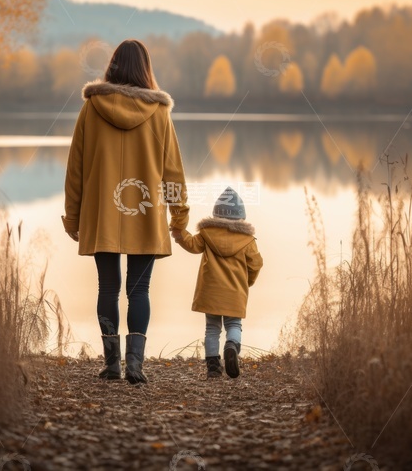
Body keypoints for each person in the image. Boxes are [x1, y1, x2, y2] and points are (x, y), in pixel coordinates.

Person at [62, 39, 189, 384]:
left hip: (102, 213)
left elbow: (75, 168)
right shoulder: (160, 114)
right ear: (146, 69)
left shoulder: (92, 108)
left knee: (107, 288)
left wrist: (72, 216)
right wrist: (179, 217)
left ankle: (112, 365)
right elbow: (173, 172)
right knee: (139, 291)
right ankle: (135, 366)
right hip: (145, 216)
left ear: (113, 66)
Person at [172, 187, 263, 378]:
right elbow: (256, 264)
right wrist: (247, 282)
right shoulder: (247, 240)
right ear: (241, 216)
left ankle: (213, 367)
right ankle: (231, 346)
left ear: (216, 213)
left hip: (210, 292)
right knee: (234, 325)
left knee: (212, 328)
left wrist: (180, 235)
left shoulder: (207, 233)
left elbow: (192, 245)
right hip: (235, 293)